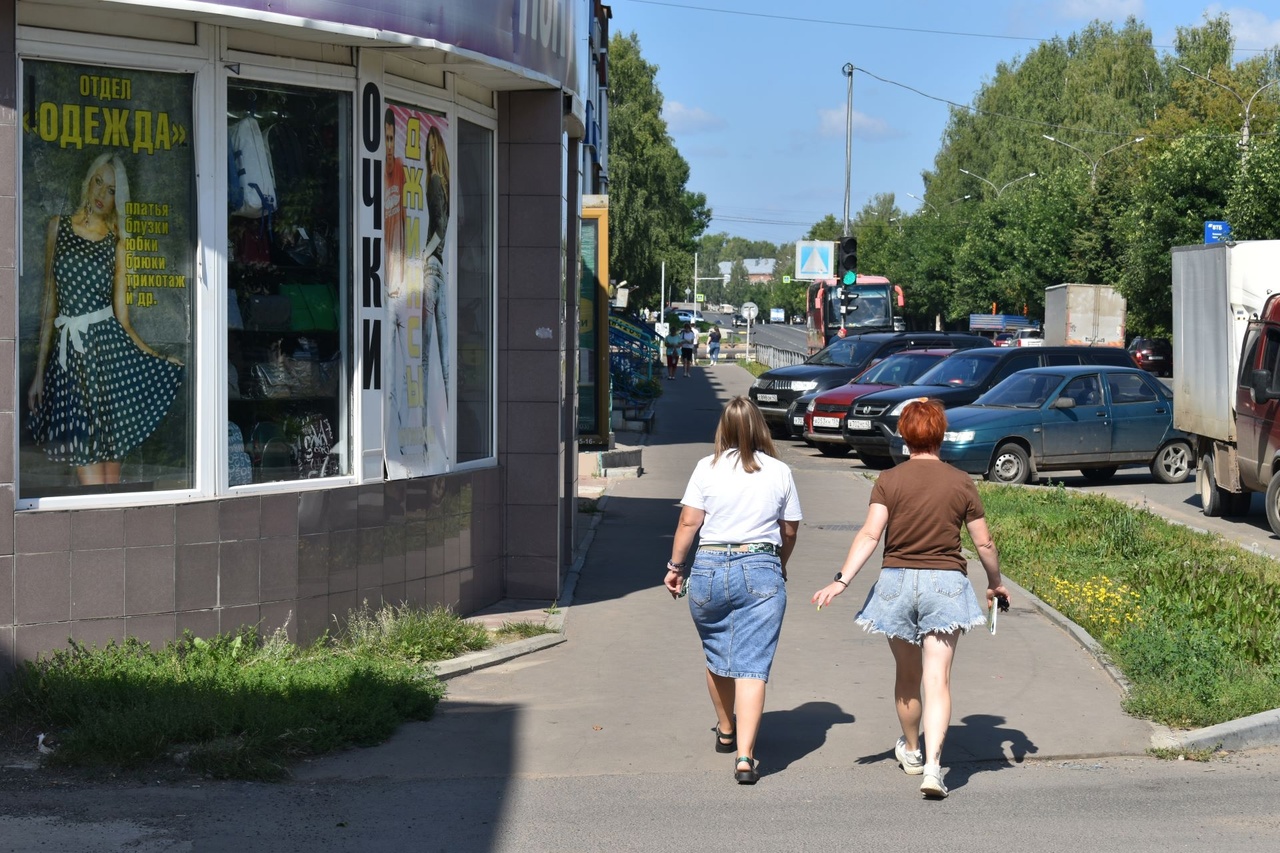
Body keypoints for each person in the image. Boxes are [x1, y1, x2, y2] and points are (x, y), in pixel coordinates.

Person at [811, 399, 1007, 799]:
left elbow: (869, 535)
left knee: (907, 677)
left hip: (896, 584)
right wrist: (994, 582)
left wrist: (841, 581)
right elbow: (983, 541)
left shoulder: (889, 480)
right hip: (946, 585)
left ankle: (913, 751)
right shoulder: (960, 481)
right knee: (938, 679)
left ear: (904, 433)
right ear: (940, 434)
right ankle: (934, 769)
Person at [664, 396, 802, 785]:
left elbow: (689, 523)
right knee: (752, 665)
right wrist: (781, 563)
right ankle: (745, 757)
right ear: (760, 427)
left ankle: (726, 729)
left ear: (723, 428)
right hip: (760, 566)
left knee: (717, 652)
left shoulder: (705, 468)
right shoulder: (779, 471)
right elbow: (789, 529)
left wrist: (675, 567)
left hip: (708, 567)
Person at [27, 152, 184, 486]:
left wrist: (156, 357)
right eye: (98, 181)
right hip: (70, 364)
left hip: (109, 360)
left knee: (110, 482)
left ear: (118, 198)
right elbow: (48, 303)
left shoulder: (117, 243)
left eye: (111, 189)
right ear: (88, 181)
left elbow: (123, 320)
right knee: (89, 478)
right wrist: (39, 374)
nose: (101, 193)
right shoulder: (58, 227)